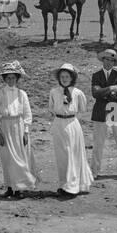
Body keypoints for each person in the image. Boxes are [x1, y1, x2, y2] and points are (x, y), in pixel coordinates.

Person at [0, 60, 38, 198]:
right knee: (7, 158)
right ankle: (10, 186)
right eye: (8, 78)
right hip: (5, 126)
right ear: (4, 79)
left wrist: (26, 131)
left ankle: (20, 187)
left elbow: (27, 113)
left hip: (18, 125)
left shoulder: (22, 94)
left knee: (19, 157)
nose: (11, 80)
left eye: (13, 78)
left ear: (17, 79)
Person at [48, 63, 94, 195]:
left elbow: (82, 108)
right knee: (62, 155)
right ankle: (64, 183)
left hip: (72, 123)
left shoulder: (78, 93)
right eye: (62, 76)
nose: (64, 79)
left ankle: (73, 185)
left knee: (73, 153)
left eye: (67, 76)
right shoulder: (54, 92)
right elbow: (51, 107)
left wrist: (70, 114)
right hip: (58, 124)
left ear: (72, 77)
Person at [91, 48, 117, 178]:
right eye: (107, 59)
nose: (109, 62)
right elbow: (95, 94)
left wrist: (105, 94)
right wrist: (110, 89)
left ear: (114, 62)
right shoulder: (96, 75)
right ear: (103, 60)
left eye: (111, 60)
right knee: (98, 143)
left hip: (114, 110)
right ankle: (94, 171)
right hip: (101, 112)